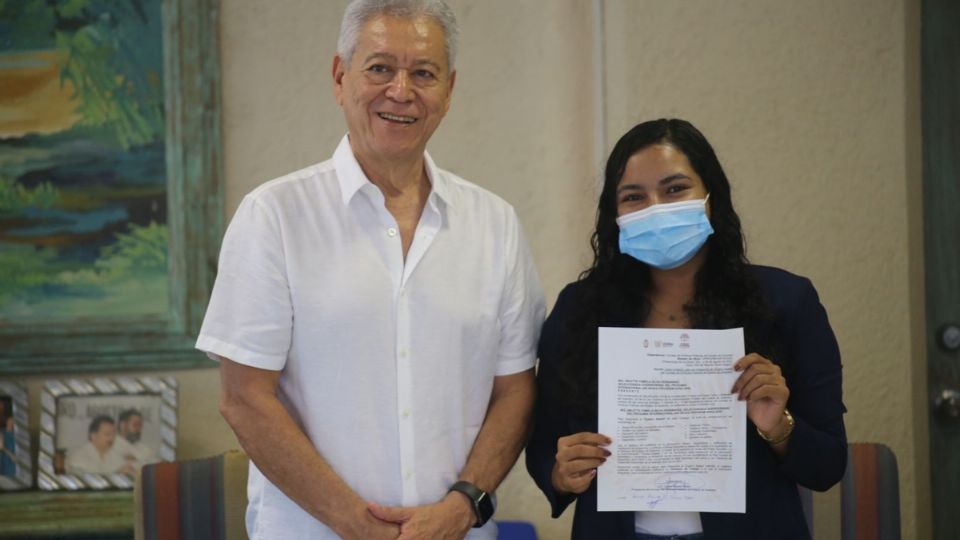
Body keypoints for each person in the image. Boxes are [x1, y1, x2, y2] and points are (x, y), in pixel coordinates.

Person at [196, 1, 545, 539]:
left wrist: (463, 506)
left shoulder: (494, 224)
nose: (401, 91)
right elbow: (243, 397)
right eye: (380, 67)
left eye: (423, 73)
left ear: (448, 90)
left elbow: (516, 389)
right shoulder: (275, 216)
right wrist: (353, 522)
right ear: (340, 77)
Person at [525, 119, 846, 539]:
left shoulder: (787, 301)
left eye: (675, 189)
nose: (656, 208)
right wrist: (561, 472)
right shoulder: (578, 309)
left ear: (711, 196)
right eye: (634, 196)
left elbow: (827, 466)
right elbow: (544, 444)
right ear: (614, 214)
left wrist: (777, 425)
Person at [65, 415, 136, 475]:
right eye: (107, 434)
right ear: (93, 436)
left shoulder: (115, 455)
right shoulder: (79, 456)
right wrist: (117, 474)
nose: (112, 438)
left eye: (114, 434)